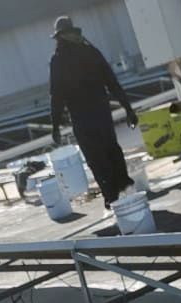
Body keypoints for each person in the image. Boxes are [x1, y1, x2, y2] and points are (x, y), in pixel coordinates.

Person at [49, 16, 138, 206]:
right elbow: (112, 83)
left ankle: (111, 197)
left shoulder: (58, 61)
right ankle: (125, 187)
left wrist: (55, 126)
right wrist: (128, 109)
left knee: (96, 158)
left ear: (59, 37)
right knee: (111, 149)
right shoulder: (91, 51)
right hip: (102, 114)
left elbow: (56, 97)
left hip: (82, 119)